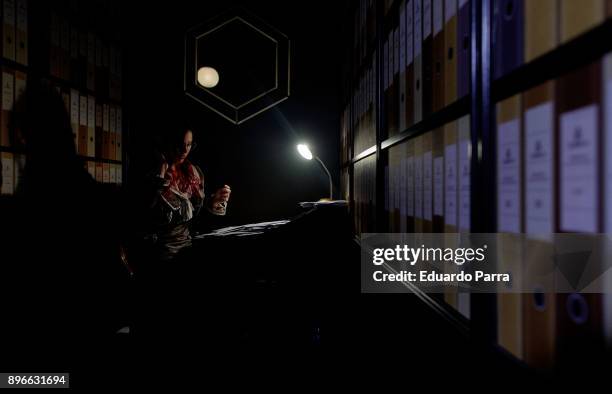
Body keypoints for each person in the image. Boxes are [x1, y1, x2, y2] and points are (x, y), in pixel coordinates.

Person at [146, 127, 231, 262]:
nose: (185, 150)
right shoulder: (154, 173)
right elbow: (146, 211)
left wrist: (213, 202)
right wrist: (160, 176)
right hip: (160, 253)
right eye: (180, 144)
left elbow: (197, 216)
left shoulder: (193, 173)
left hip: (186, 251)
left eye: (189, 144)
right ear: (169, 143)